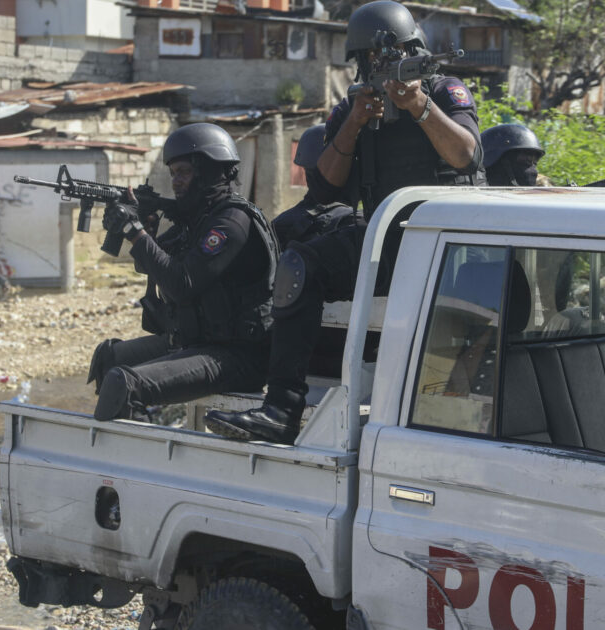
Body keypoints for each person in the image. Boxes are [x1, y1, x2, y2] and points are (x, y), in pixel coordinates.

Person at [205, 0, 483, 443]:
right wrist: (353, 124)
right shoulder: (351, 108)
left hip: (444, 249)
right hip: (385, 243)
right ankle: (282, 408)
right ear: (360, 63)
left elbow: (466, 155)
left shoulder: (445, 91)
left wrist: (419, 107)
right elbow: (325, 192)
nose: (383, 66)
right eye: (374, 59)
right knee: (298, 264)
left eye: (394, 56)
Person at [88, 123, 278, 421]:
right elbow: (154, 265)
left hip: (237, 356)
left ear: (210, 171)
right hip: (195, 341)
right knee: (108, 358)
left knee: (123, 383)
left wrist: (134, 232)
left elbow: (181, 283)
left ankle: (128, 460)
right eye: (173, 173)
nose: (176, 181)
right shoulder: (196, 222)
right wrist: (145, 232)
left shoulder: (231, 222)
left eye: (184, 172)